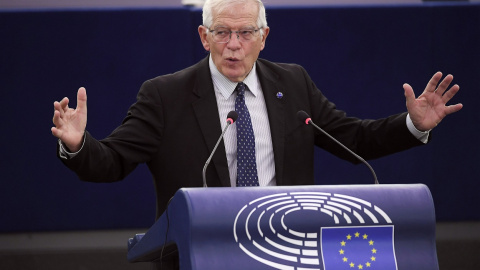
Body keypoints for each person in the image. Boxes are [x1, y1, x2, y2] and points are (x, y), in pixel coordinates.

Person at [51, 0, 461, 267]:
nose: (233, 45)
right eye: (222, 33)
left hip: (289, 253)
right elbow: (113, 161)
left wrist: (413, 125)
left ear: (263, 38)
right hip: (202, 256)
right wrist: (78, 146)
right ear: (203, 37)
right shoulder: (164, 96)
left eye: (245, 33)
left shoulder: (293, 83)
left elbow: (353, 138)